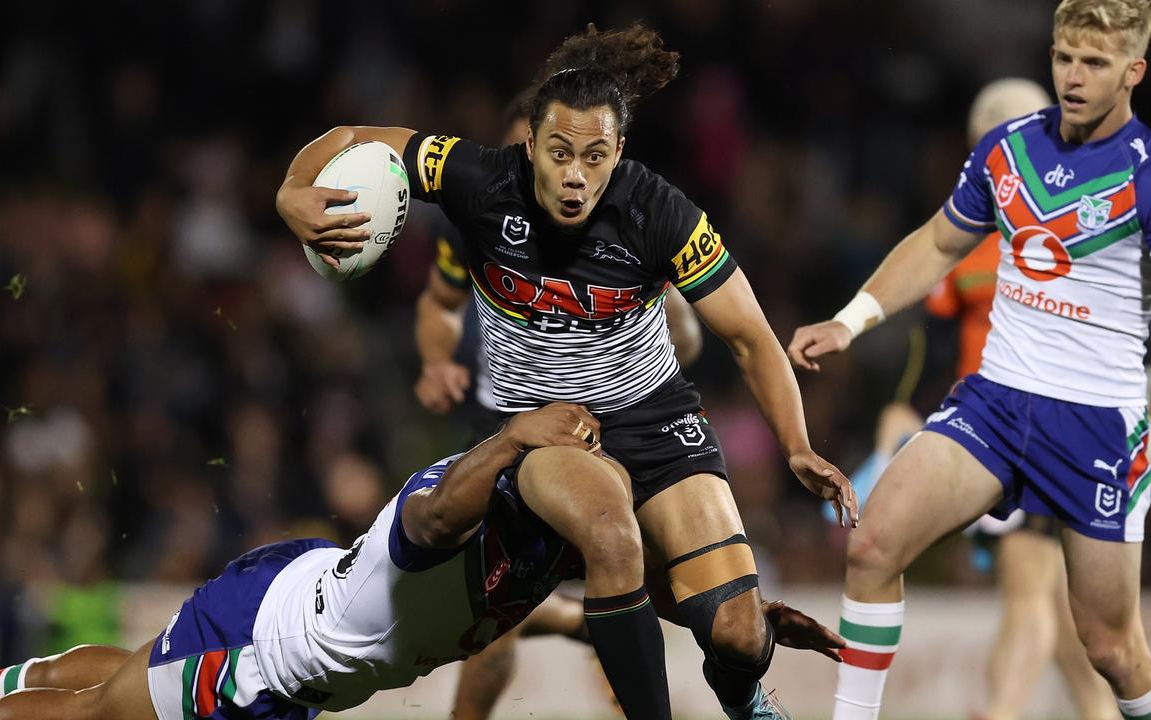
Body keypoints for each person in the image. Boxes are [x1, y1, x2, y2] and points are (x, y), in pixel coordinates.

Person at [278, 23, 857, 720]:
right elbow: (352, 137)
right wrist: (292, 189)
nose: (574, 175)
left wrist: (796, 446)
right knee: (611, 537)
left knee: (737, 632)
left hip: (656, 418)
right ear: (530, 145)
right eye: (557, 153)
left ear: (619, 152)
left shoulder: (660, 212)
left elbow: (752, 338)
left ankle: (744, 698)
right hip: (548, 432)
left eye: (593, 155)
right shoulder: (481, 182)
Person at [0, 404, 842, 720]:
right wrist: (512, 438)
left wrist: (702, 614)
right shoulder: (459, 508)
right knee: (108, 715)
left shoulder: (551, 538)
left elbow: (603, 595)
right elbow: (432, 520)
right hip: (270, 661)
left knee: (135, 674)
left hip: (289, 592)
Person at [788, 2, 1151, 718]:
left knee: (1108, 646)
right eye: (1063, 58)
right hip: (996, 402)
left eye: (1096, 64)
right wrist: (851, 319)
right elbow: (938, 244)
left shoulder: (1144, 171)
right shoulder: (1007, 149)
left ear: (1134, 73)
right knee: (872, 546)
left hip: (1098, 427)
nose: (1074, 77)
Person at [414, 93, 703, 720]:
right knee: (483, 608)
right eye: (544, 156)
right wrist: (437, 361)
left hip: (601, 436)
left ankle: (608, 635)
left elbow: (689, 335)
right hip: (503, 430)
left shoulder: (625, 236)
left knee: (602, 570)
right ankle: (581, 622)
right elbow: (439, 304)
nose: (559, 179)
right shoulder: (482, 218)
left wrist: (646, 361)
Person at [932, 77, 1117, 720]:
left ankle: (1002, 712)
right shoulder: (1083, 220)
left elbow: (925, 355)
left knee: (1033, 595)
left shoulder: (972, 241)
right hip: (1059, 430)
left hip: (1036, 429)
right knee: (1075, 622)